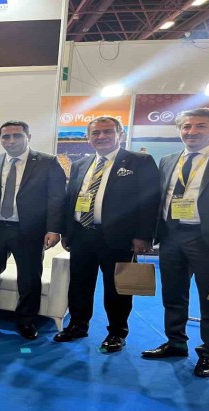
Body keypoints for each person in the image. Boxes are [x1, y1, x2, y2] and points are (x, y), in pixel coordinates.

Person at [55, 116, 160, 352]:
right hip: (82, 234)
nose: (101, 137)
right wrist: (67, 232)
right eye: (95, 133)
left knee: (117, 288)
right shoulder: (81, 164)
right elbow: (71, 199)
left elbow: (150, 201)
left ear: (120, 134)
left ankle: (117, 332)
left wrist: (143, 236)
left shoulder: (139, 161)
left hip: (119, 237)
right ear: (88, 138)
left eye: (107, 132)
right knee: (79, 284)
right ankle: (78, 325)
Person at [143, 107, 209, 378]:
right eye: (186, 127)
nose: (192, 132)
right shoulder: (168, 160)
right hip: (171, 237)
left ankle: (208, 353)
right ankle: (176, 342)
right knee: (173, 294)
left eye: (200, 126)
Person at [0, 120, 66, 340]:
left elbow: (56, 199)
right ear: (1, 139)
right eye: (6, 136)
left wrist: (54, 229)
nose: (11, 140)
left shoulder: (47, 162)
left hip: (29, 230)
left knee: (29, 278)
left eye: (17, 135)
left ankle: (26, 320)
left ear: (28, 137)